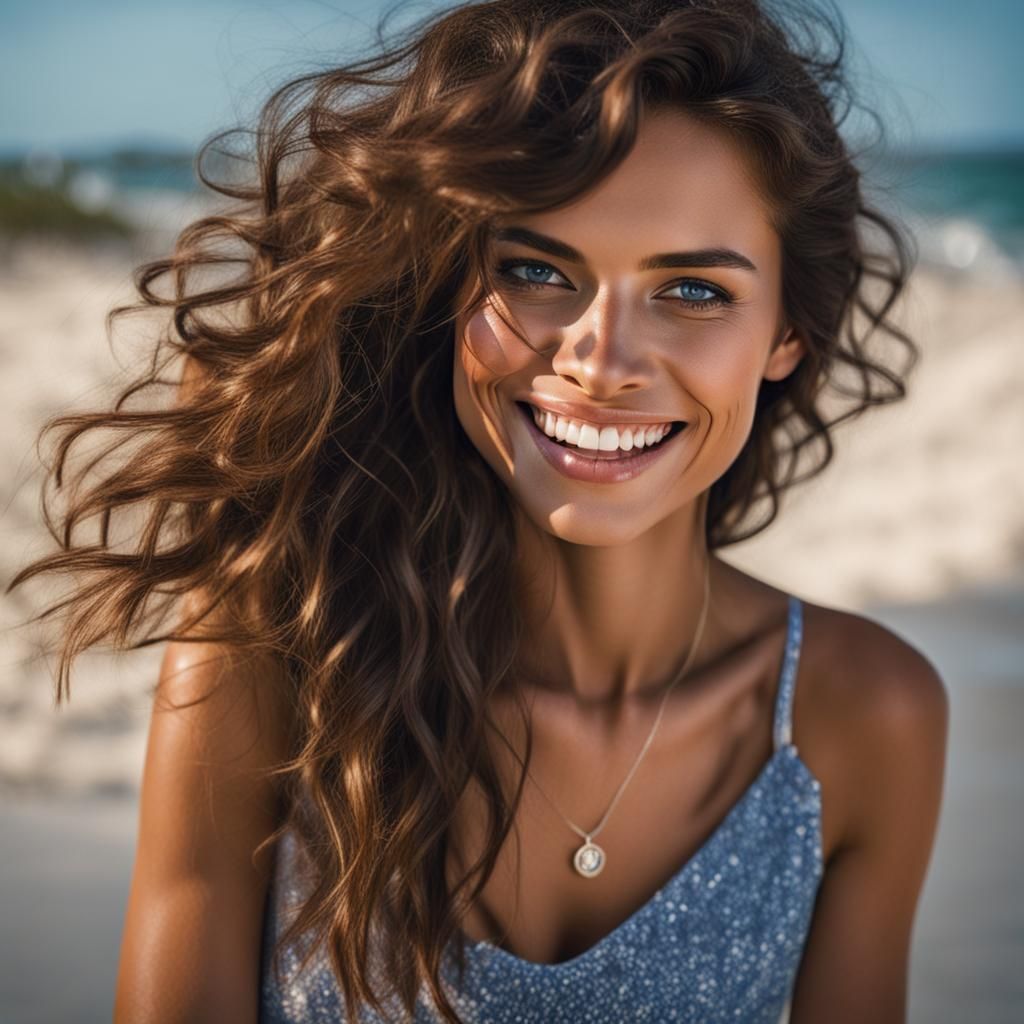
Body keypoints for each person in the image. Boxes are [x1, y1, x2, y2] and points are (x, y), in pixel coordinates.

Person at [8, 0, 949, 1021]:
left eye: (691, 292)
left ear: (787, 334)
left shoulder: (860, 718)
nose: (599, 360)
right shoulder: (273, 665)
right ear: (447, 294)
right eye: (536, 272)